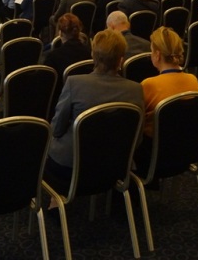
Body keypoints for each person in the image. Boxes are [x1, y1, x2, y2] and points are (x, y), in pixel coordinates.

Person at [45, 29, 144, 182]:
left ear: (93, 55)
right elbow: (137, 139)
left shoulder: (74, 83)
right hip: (115, 165)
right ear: (121, 59)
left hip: (73, 167)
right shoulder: (136, 90)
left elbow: (57, 130)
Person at [139, 26, 198, 142]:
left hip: (154, 146)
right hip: (187, 143)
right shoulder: (193, 79)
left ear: (157, 55)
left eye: (151, 51)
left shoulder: (148, 84)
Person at [44, 13, 93, 116]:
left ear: (60, 33)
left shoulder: (53, 57)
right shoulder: (89, 53)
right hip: (86, 99)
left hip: (61, 103)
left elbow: (48, 86)